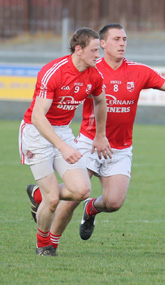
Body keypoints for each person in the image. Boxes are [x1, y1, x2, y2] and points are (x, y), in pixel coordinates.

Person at [25, 24, 165, 251]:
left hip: (121, 148)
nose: (122, 43)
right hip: (89, 142)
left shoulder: (138, 71)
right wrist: (98, 135)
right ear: (102, 44)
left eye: (125, 39)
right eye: (116, 39)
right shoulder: (91, 68)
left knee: (114, 202)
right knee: (73, 197)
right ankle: (51, 244)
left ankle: (91, 209)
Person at [19, 27, 112, 256]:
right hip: (36, 131)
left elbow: (100, 101)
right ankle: (43, 245)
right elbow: (39, 117)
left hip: (61, 131)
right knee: (52, 199)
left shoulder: (94, 75)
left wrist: (100, 135)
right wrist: (63, 146)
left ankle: (37, 194)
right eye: (93, 50)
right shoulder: (54, 71)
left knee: (82, 190)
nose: (98, 55)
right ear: (78, 50)